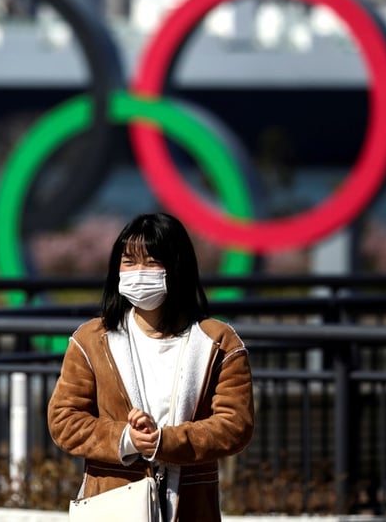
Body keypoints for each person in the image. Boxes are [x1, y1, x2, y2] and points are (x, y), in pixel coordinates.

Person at [48, 212, 254, 521]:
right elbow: (64, 421)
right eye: (129, 261)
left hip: (190, 506)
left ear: (177, 268)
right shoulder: (90, 341)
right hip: (113, 503)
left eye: (152, 262)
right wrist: (126, 439)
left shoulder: (218, 342)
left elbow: (235, 425)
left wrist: (164, 442)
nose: (138, 272)